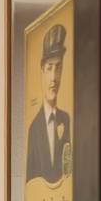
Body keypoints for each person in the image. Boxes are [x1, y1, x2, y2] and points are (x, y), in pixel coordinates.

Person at [26, 22, 71, 183]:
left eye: (58, 68)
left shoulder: (67, 120)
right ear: (42, 71)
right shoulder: (33, 130)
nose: (54, 78)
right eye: (49, 68)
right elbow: (31, 185)